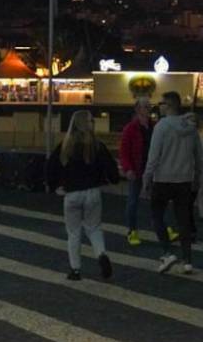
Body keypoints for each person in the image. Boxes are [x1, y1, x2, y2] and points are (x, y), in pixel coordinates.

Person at [46, 110, 119, 281]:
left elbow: (51, 168)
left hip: (71, 194)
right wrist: (111, 180)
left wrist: (54, 186)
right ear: (87, 124)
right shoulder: (97, 146)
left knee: (73, 232)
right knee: (94, 228)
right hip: (92, 192)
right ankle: (101, 254)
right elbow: (111, 170)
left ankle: (75, 270)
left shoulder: (64, 146)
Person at [142, 91, 203, 275]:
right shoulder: (191, 127)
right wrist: (197, 177)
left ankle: (167, 252)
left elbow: (154, 156)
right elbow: (198, 156)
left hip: (163, 178)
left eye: (161, 103)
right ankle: (187, 261)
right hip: (184, 179)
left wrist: (147, 177)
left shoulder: (161, 127)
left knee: (157, 216)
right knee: (183, 219)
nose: (159, 107)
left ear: (168, 105)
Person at [118, 98, 177, 247]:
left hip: (152, 170)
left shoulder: (154, 126)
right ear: (138, 109)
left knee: (158, 201)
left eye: (149, 106)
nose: (148, 109)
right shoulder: (130, 129)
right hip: (137, 170)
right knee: (133, 201)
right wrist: (128, 168)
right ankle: (132, 230)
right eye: (145, 107)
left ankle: (164, 229)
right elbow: (124, 152)